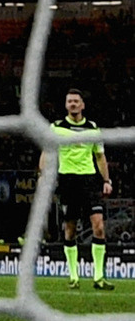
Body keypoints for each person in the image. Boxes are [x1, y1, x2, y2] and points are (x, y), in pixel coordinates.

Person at [49, 88, 114, 290]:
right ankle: (73, 276)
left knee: (99, 227)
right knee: (70, 230)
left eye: (76, 101)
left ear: (83, 105)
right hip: (67, 181)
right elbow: (47, 153)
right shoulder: (56, 128)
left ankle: (99, 277)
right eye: (70, 101)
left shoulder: (93, 129)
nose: (73, 104)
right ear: (65, 105)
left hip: (89, 181)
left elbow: (100, 156)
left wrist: (107, 180)